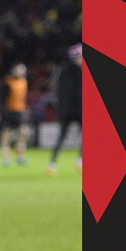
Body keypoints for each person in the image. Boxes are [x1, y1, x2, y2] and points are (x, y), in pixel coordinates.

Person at [47, 43, 83, 176]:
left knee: (60, 138)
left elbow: (57, 92)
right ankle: (80, 162)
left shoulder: (62, 72)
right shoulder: (81, 72)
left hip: (65, 111)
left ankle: (52, 164)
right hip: (78, 110)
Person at [0, 61, 30, 166]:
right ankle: (5, 159)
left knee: (22, 133)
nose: (21, 72)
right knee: (6, 135)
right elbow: (2, 98)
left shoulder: (24, 82)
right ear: (14, 71)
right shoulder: (8, 82)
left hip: (20, 112)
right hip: (9, 112)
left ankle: (20, 156)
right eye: (19, 70)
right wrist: (4, 111)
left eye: (23, 70)